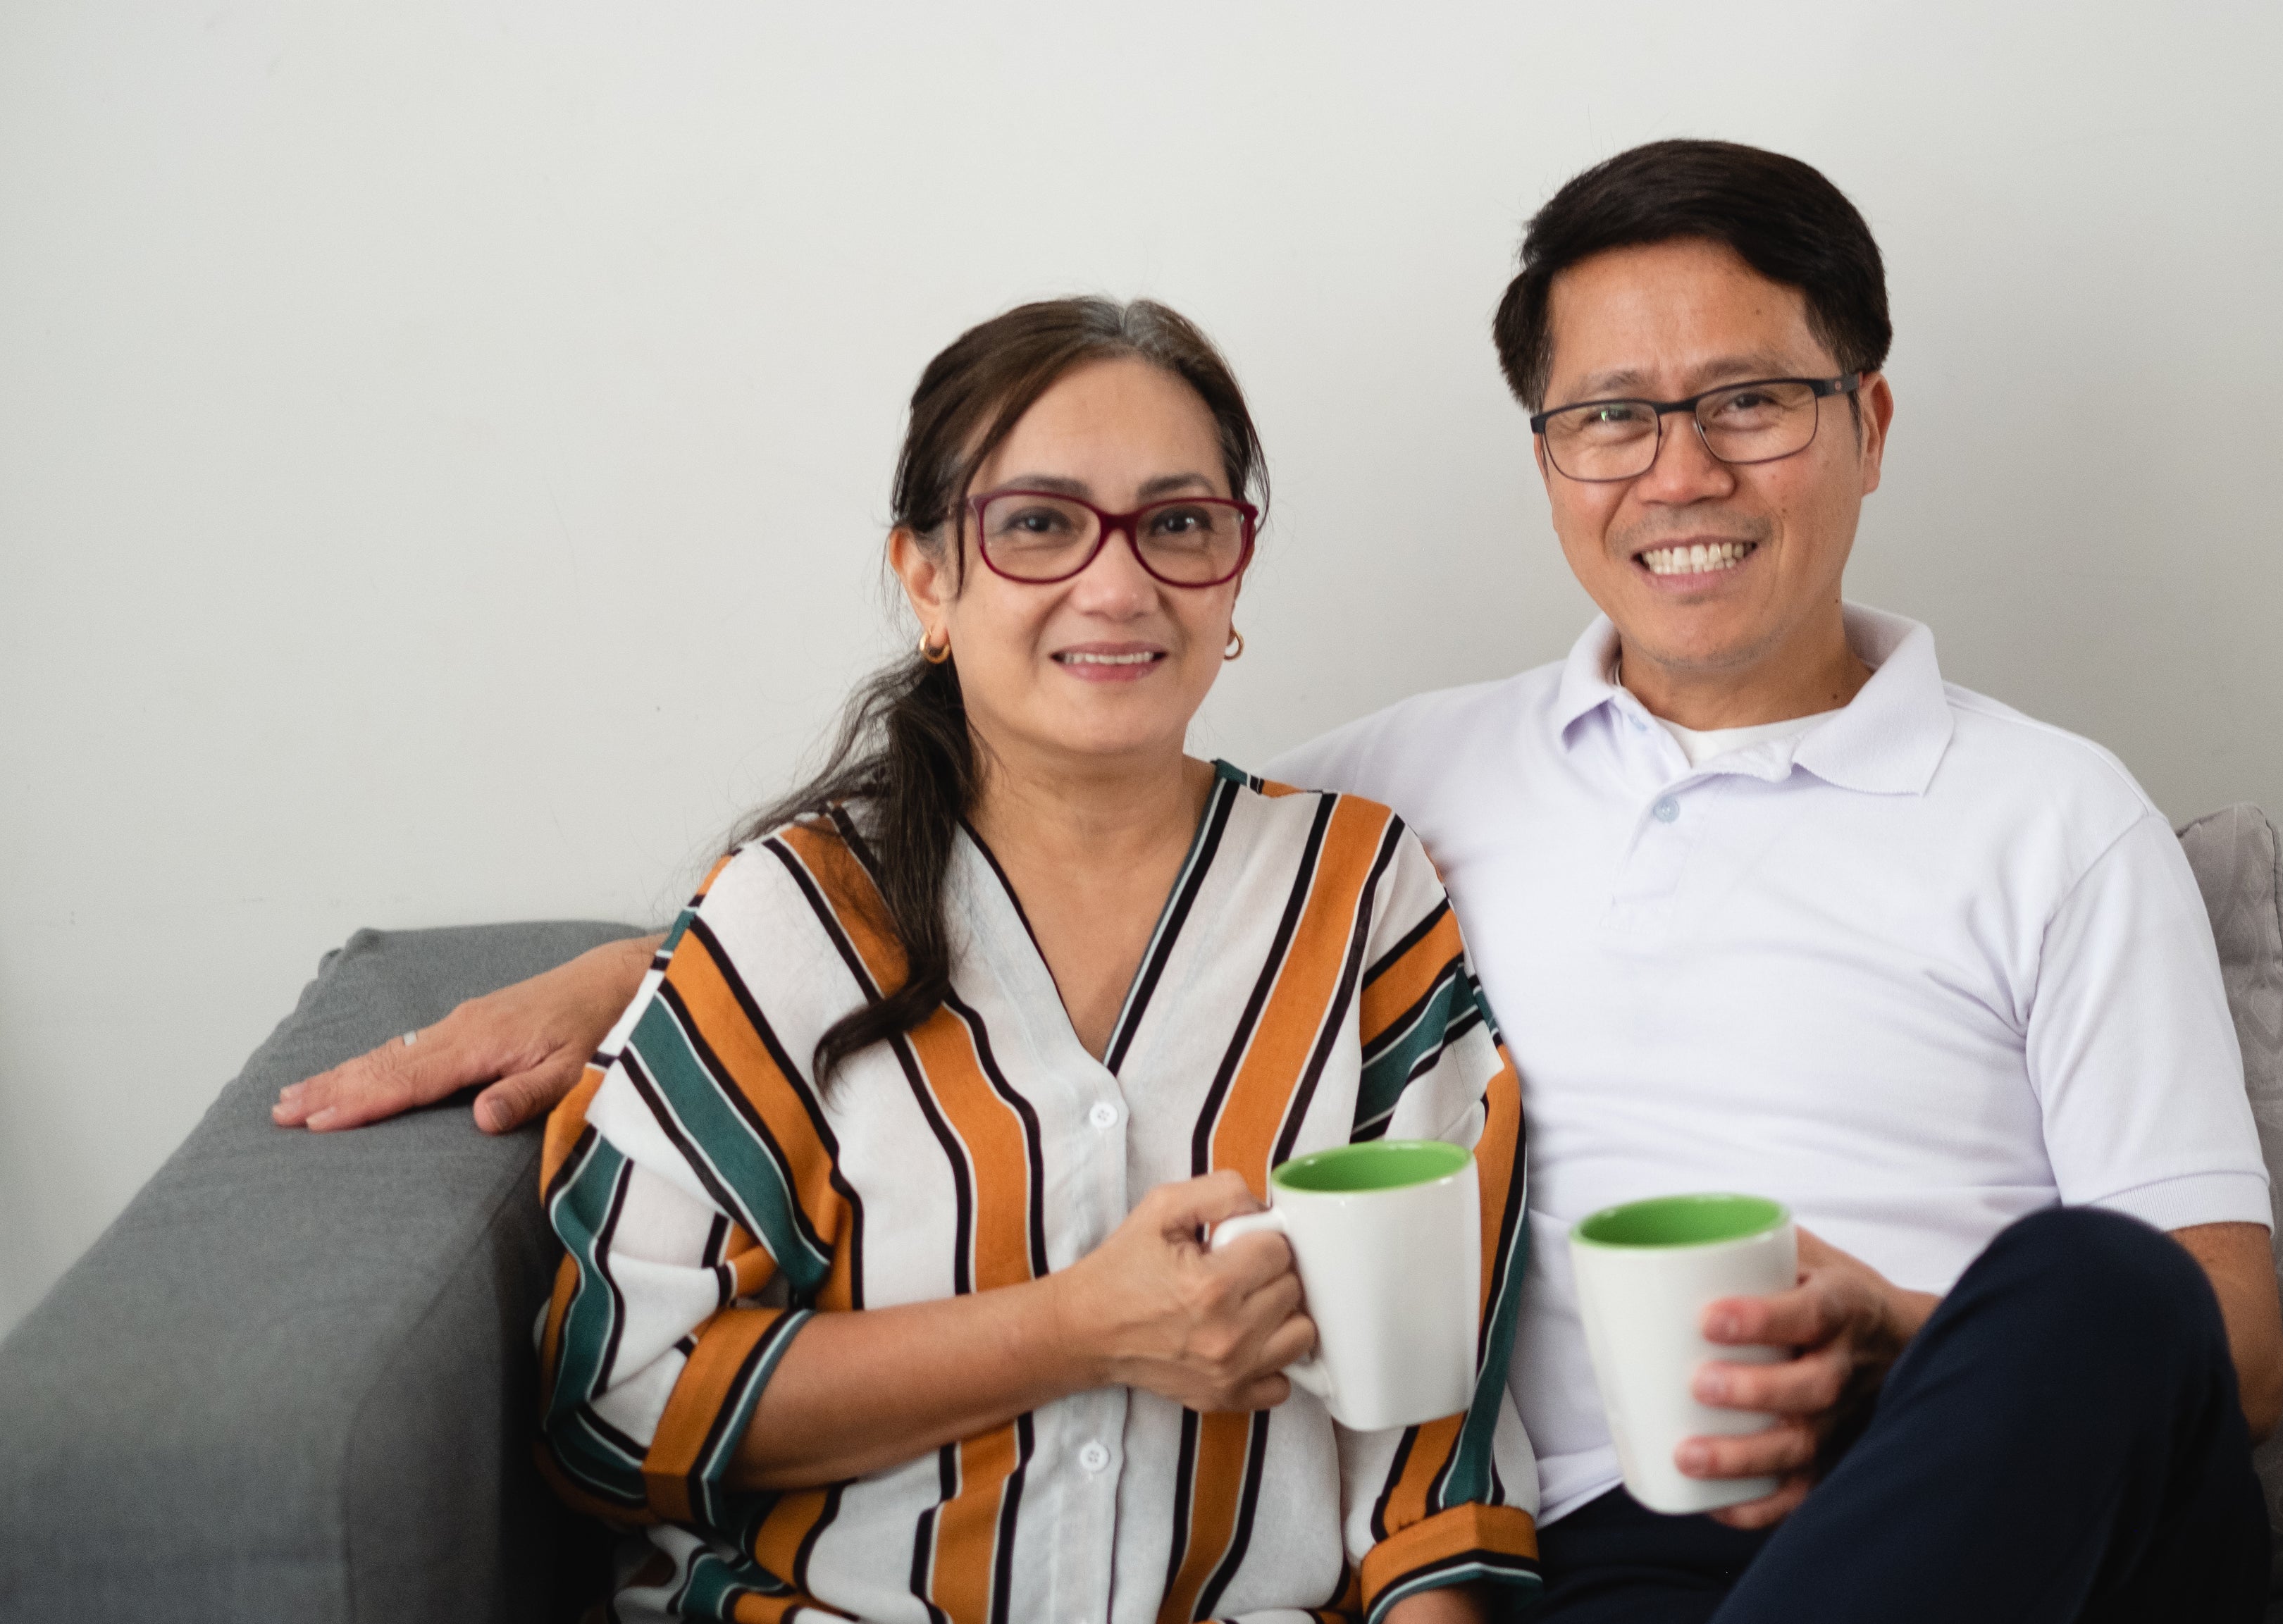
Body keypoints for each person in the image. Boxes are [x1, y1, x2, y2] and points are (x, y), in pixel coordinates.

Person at [281, 142, 2283, 1620]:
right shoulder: (1404, 808)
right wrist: (658, 961)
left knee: (2100, 1291)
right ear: (1550, 460)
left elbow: (2224, 1355)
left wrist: (1911, 1340)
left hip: (1992, 1514)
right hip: (1606, 1559)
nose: (1682, 469)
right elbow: (1046, 847)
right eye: (1613, 415)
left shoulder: (2050, 814)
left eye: (1750, 400)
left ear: (1866, 426)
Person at [520, 297, 1534, 1623]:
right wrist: (1083, 1327)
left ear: (1232, 571)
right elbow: (614, 1403)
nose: (1117, 586)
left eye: (1178, 524)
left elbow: (1430, 1442)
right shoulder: (794, 915)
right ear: (929, 576)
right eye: (1040, 523)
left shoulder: (1362, 891)